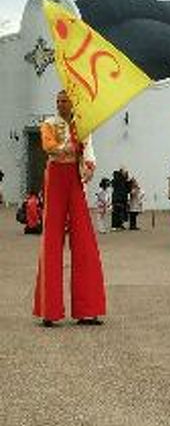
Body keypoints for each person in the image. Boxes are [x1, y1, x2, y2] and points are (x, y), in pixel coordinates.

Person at [33, 90, 106, 327]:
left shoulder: (82, 126)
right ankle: (49, 310)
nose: (60, 104)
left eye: (64, 101)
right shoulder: (49, 123)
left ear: (72, 103)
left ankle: (88, 310)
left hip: (74, 179)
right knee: (51, 241)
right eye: (58, 101)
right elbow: (49, 146)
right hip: (55, 177)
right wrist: (68, 149)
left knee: (84, 241)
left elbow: (89, 152)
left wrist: (89, 165)